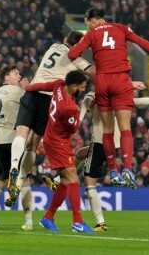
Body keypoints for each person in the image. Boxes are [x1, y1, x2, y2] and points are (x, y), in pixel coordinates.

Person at [68, 7, 149, 189]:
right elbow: (142, 42)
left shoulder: (91, 34)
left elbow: (72, 54)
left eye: (87, 23)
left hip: (102, 81)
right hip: (121, 80)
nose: (87, 27)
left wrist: (88, 65)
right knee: (125, 129)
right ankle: (127, 168)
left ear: (93, 20)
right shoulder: (120, 28)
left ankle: (113, 170)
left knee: (108, 131)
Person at [6, 31, 95, 205]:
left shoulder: (53, 47)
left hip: (32, 92)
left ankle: (14, 166)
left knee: (21, 135)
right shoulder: (77, 58)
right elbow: (91, 71)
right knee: (32, 144)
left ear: (65, 40)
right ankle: (19, 180)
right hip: (49, 99)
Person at [76, 91, 149, 231]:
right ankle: (58, 179)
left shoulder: (94, 95)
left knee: (89, 184)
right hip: (114, 145)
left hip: (99, 143)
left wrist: (79, 118)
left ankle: (100, 222)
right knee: (80, 153)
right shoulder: (118, 97)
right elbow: (138, 101)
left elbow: (86, 102)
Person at [25, 70, 94, 233]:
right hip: (58, 143)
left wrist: (29, 87)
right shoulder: (70, 108)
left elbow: (43, 86)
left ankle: (48, 218)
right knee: (73, 179)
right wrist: (82, 110)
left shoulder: (59, 85)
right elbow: (74, 128)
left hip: (52, 137)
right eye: (82, 87)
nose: (83, 90)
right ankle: (78, 222)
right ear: (73, 86)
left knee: (64, 181)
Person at [0, 66, 31, 231]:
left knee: (0, 181)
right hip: (15, 139)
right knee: (24, 179)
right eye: (16, 73)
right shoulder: (19, 92)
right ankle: (28, 222)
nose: (19, 75)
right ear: (6, 77)